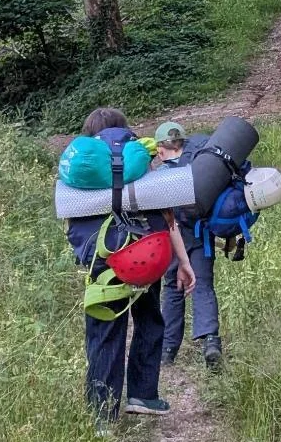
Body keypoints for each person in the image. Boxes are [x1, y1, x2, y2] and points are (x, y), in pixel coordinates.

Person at [66, 106, 195, 421]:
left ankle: (102, 414)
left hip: (105, 257)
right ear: (124, 130)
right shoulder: (139, 160)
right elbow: (167, 215)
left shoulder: (82, 165)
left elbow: (72, 218)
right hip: (144, 253)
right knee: (149, 320)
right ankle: (143, 395)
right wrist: (183, 261)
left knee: (104, 330)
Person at [153, 119, 224, 371]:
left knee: (173, 287)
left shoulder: (161, 175)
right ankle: (211, 341)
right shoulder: (201, 166)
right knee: (202, 284)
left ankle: (167, 350)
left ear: (161, 149)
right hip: (201, 234)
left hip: (173, 238)